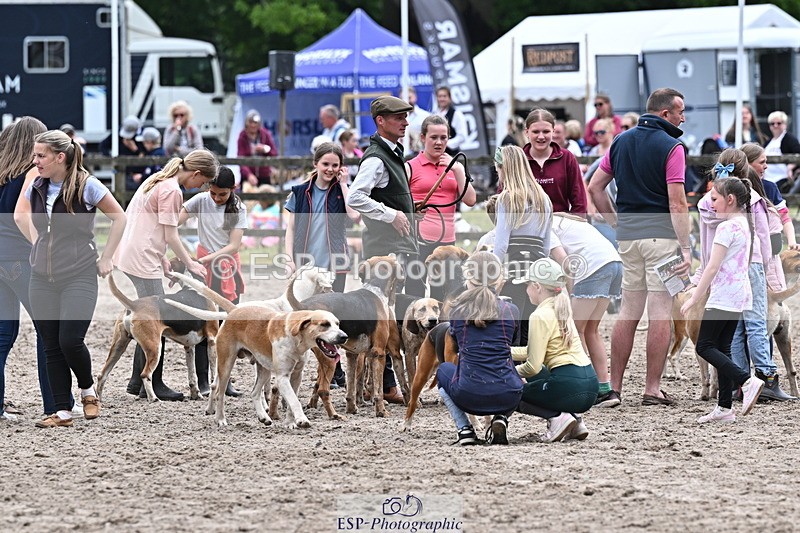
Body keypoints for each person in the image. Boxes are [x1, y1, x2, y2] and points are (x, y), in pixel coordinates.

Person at [587, 87, 692, 407]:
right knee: (659, 312)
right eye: (680, 112)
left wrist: (616, 222)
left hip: (629, 238)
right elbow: (677, 203)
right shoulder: (672, 146)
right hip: (662, 236)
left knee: (629, 312)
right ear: (665, 114)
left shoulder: (619, 140)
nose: (683, 117)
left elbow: (595, 187)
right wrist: (686, 246)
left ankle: (615, 388)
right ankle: (652, 388)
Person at [16, 130, 127, 427]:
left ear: (60, 157)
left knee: (70, 340)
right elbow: (22, 217)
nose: (35, 161)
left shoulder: (88, 185)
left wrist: (107, 257)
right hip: (41, 276)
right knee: (50, 342)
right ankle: (63, 410)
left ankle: (88, 390)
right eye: (35, 155)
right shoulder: (35, 186)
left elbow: (120, 217)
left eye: (41, 156)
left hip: (78, 273)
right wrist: (38, 244)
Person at [116, 149, 217, 401]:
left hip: (136, 250)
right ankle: (154, 383)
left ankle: (135, 382)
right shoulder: (172, 190)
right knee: (154, 319)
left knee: (148, 317)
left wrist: (162, 258)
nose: (200, 187)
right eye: (202, 182)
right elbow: (171, 234)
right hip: (141, 256)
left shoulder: (158, 180)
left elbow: (149, 225)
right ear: (195, 173)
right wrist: (190, 265)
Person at [693, 149, 794, 401]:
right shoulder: (751, 199)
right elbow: (764, 242)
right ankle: (767, 379)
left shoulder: (709, 202)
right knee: (756, 323)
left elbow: (706, 243)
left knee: (736, 329)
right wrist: (771, 275)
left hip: (724, 270)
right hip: (752, 265)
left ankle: (741, 382)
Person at [347, 95, 418, 405]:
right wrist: (393, 214)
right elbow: (355, 197)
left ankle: (383, 383)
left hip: (395, 245)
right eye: (398, 117)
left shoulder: (391, 152)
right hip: (384, 248)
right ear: (381, 121)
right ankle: (386, 385)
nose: (404, 122)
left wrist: (408, 210)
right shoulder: (376, 158)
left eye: (405, 116)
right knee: (383, 317)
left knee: (393, 311)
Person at [680, 175, 765, 423]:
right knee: (724, 348)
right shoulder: (743, 223)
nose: (711, 204)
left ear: (730, 199)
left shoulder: (726, 227)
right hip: (739, 293)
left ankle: (747, 381)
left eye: (714, 199)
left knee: (704, 346)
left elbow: (711, 266)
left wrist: (694, 297)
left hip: (724, 294)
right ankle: (725, 408)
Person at [0, 117, 58, 421]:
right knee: (48, 330)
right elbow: (27, 219)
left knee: (2, 335)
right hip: (20, 259)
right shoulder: (30, 175)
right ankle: (55, 403)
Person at [436, 252, 523, 445]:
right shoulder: (511, 310)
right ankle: (501, 418)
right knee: (510, 368)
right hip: (508, 396)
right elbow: (511, 346)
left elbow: (458, 346)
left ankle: (464, 429)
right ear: (499, 279)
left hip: (469, 395)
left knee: (442, 370)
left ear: (468, 277)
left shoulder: (457, 311)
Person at [511, 258, 598, 442]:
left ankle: (558, 418)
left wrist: (507, 372)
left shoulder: (539, 315)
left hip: (569, 385)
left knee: (511, 393)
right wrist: (504, 351)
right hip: (590, 385)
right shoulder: (561, 310)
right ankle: (576, 420)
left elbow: (532, 367)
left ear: (537, 286)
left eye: (527, 285)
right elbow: (532, 350)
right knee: (543, 375)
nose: (526, 290)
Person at [180, 166, 246, 397]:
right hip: (203, 265)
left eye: (223, 195)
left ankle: (225, 381)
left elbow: (234, 245)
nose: (217, 198)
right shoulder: (200, 200)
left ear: (232, 190)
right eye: (214, 193)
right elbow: (176, 220)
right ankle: (204, 381)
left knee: (228, 325)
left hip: (225, 264)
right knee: (203, 323)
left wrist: (206, 258)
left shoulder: (238, 209)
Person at [548, 213, 622, 404]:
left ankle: (584, 386)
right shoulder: (568, 221)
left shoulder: (546, 227)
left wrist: (572, 294)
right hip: (613, 263)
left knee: (575, 330)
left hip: (592, 267)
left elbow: (566, 262)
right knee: (591, 330)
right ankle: (605, 389)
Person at [405, 115, 476, 298]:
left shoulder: (456, 167)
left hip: (447, 242)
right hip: (418, 241)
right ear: (422, 138)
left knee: (445, 295)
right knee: (415, 293)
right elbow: (399, 203)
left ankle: (443, 328)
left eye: (443, 137)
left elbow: (470, 200)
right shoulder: (410, 166)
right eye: (433, 137)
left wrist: (458, 170)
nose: (439, 142)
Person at [492, 145, 553, 346]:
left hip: (513, 265)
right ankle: (531, 370)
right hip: (537, 264)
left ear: (503, 168)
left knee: (510, 323)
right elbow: (546, 242)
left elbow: (501, 243)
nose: (497, 174)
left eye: (497, 169)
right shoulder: (543, 198)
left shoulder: (507, 198)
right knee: (531, 324)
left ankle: (511, 370)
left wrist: (493, 271)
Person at [285, 142, 360, 292]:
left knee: (333, 311)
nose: (330, 169)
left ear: (341, 167)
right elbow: (291, 229)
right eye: (325, 164)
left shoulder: (342, 192)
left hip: (335, 265)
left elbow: (355, 216)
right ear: (315, 163)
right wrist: (289, 260)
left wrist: (344, 185)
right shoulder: (299, 193)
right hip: (305, 263)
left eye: (335, 165)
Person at [522, 108, 586, 215]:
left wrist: (576, 223)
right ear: (527, 132)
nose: (541, 136)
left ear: (553, 131)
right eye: (535, 132)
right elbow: (503, 198)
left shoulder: (567, 158)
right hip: (526, 225)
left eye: (546, 131)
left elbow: (579, 200)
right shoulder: (517, 159)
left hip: (560, 224)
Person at [237, 109, 277, 188]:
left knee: (267, 198)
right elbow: (240, 159)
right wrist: (249, 175)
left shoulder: (266, 135)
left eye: (255, 122)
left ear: (259, 124)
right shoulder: (242, 137)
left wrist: (265, 149)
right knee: (248, 198)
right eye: (250, 122)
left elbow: (274, 153)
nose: (253, 125)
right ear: (246, 123)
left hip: (264, 175)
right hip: (248, 177)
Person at [763, 110, 800, 191]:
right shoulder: (768, 142)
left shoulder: (790, 139)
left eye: (779, 123)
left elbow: (798, 153)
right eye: (772, 123)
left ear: (785, 124)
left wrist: (790, 167)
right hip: (767, 178)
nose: (775, 126)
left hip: (783, 178)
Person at [434, 86, 468, 156]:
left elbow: (462, 136)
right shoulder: (434, 114)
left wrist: (446, 144)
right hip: (435, 154)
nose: (442, 99)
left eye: (444, 96)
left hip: (451, 154)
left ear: (449, 98)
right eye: (439, 96)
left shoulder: (456, 114)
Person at [405, 86, 430, 156]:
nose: (407, 101)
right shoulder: (396, 118)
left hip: (421, 154)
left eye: (409, 97)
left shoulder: (425, 116)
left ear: (415, 97)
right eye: (404, 98)